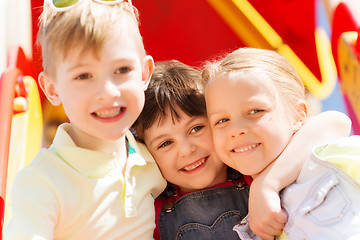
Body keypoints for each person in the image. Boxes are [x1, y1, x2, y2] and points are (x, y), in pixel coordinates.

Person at [133, 60, 351, 240]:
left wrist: (266, 184)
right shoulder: (151, 210)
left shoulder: (250, 167)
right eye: (165, 143)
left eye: (197, 128)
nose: (186, 150)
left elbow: (335, 122)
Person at [4, 0, 166, 239]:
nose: (108, 92)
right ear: (52, 89)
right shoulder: (42, 184)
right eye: (83, 76)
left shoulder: (154, 158)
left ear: (144, 74)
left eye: (122, 70)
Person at [203, 47, 359, 240]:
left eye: (255, 111)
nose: (236, 130)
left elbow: (336, 122)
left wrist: (267, 184)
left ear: (298, 115)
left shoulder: (329, 159)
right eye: (222, 121)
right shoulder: (249, 220)